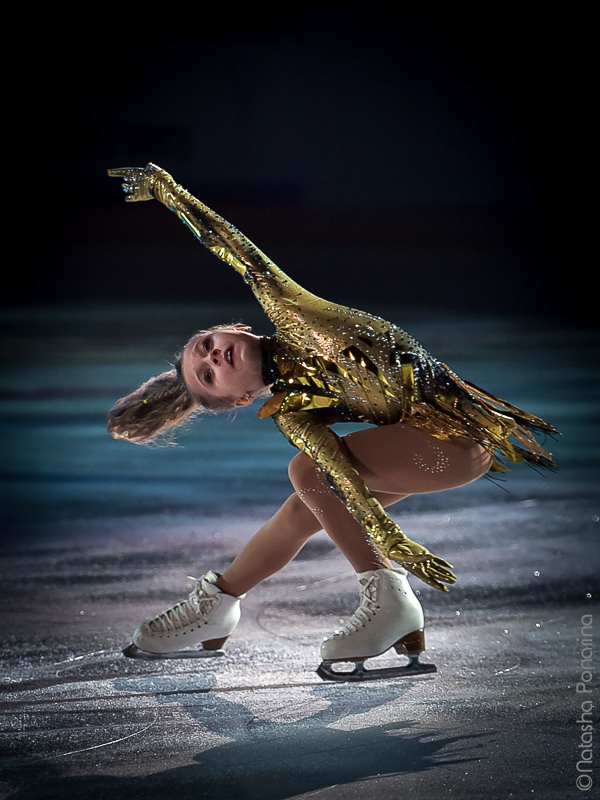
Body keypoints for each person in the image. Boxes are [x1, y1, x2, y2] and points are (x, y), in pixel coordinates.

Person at [106, 164, 558, 680]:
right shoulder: (292, 413)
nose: (215, 359)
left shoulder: (294, 312)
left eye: (208, 347)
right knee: (305, 505)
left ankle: (390, 603)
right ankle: (218, 605)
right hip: (429, 445)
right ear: (239, 400)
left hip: (456, 440)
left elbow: (236, 250)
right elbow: (344, 482)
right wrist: (389, 539)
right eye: (208, 375)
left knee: (307, 476)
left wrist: (169, 193)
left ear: (235, 329)